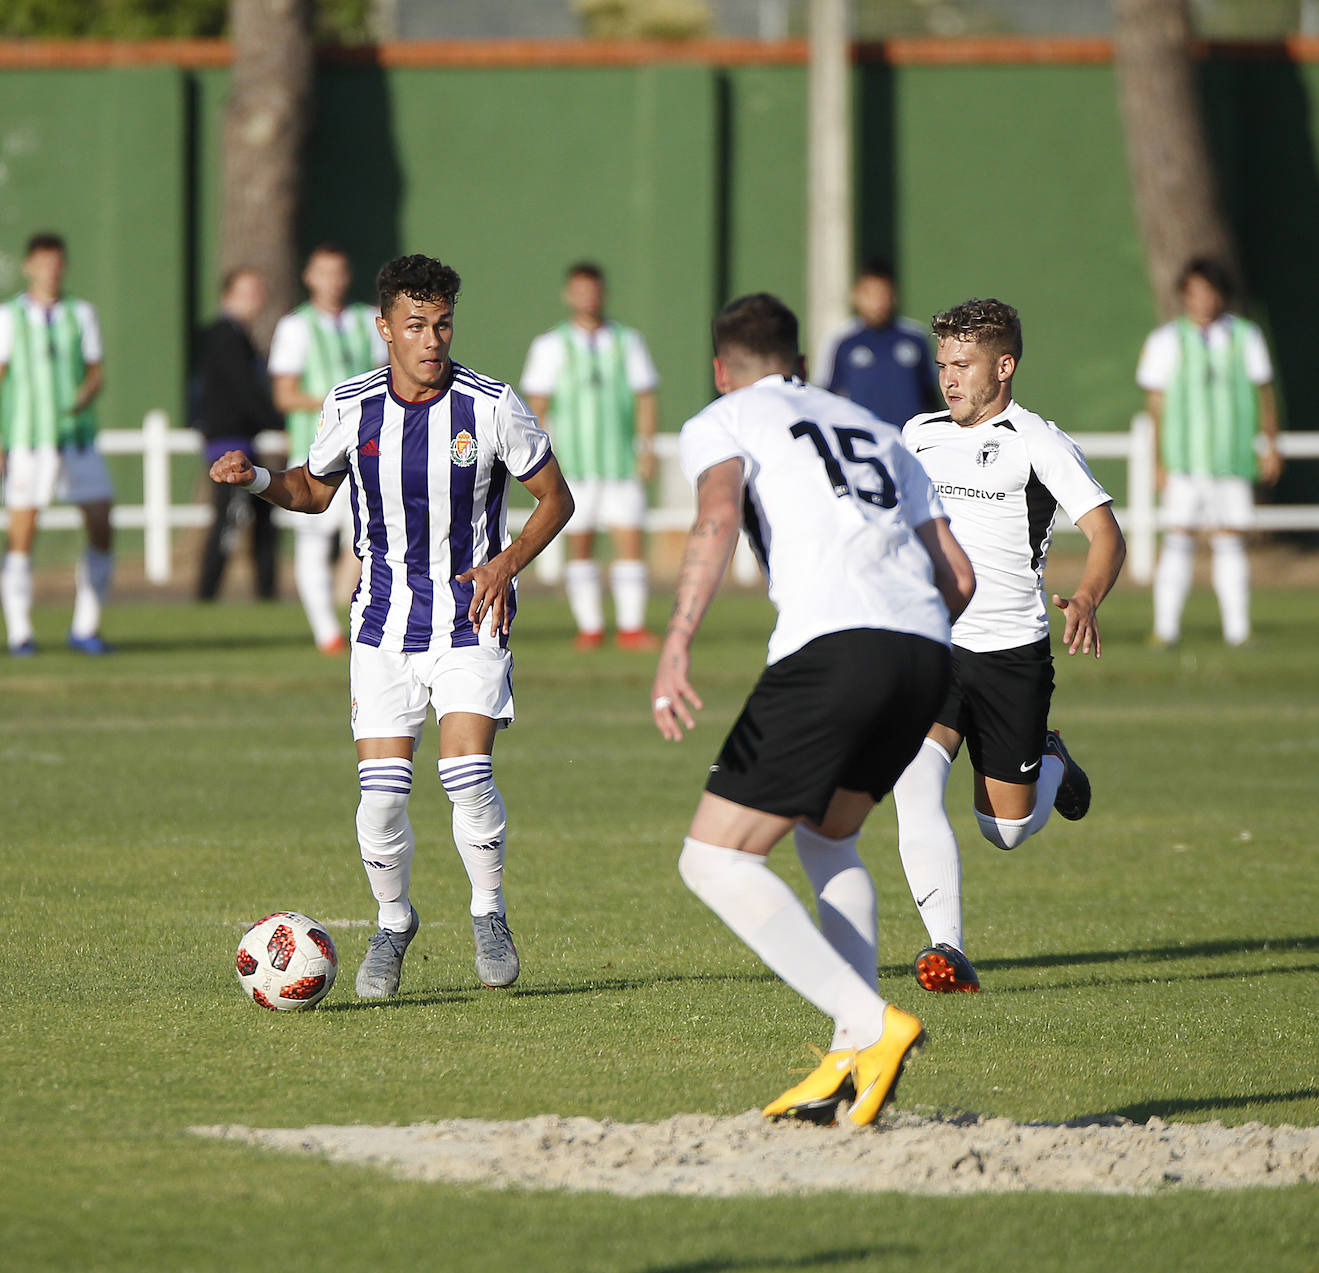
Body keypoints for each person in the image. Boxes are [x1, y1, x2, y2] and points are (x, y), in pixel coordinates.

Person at [651, 293, 975, 1127]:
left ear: (724, 369)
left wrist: (678, 637)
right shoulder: (875, 425)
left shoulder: (725, 416)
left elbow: (717, 515)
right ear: (797, 360)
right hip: (927, 650)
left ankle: (872, 1023)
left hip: (836, 646)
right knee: (828, 834)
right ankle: (845, 1060)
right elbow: (960, 578)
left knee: (712, 860)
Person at [210, 253, 573, 996]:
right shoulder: (350, 404)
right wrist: (251, 478)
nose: (432, 339)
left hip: (470, 615)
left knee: (466, 772)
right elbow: (313, 490)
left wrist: (505, 565)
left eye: (442, 323)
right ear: (384, 329)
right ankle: (394, 920)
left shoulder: (491, 405)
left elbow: (556, 499)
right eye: (415, 324)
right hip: (380, 623)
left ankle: (488, 909)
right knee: (381, 796)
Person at [893, 298, 1126, 995]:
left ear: (1004, 365)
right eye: (942, 364)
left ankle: (1050, 759)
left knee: (1006, 830)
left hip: (1011, 652)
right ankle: (947, 948)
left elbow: (1107, 533)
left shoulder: (1037, 442)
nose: (949, 379)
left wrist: (1085, 597)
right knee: (912, 782)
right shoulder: (918, 433)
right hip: (934, 644)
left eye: (962, 364)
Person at [1136, 257, 1281, 647]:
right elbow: (1156, 406)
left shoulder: (1245, 336)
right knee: (1179, 539)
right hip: (1184, 459)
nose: (1202, 301)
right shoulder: (1166, 339)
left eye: (1209, 292)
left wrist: (1269, 445)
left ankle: (1238, 631)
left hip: (1231, 458)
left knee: (1231, 539)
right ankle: (1165, 630)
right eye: (1194, 292)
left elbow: (1264, 394)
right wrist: (1158, 461)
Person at [520, 261, 659, 651]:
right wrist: (539, 462)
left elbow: (645, 397)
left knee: (629, 540)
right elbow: (538, 406)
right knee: (579, 542)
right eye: (580, 290)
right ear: (569, 295)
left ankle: (632, 627)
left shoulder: (628, 341)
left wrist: (646, 448)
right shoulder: (550, 345)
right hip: (573, 464)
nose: (588, 297)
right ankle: (591, 626)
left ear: (603, 293)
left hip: (620, 461)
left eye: (594, 289)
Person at [0, 232, 114, 656]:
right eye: (43, 262)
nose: (51, 270)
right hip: (28, 440)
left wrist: (87, 390)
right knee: (23, 530)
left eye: (57, 262)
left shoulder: (80, 314)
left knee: (101, 520)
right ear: (29, 266)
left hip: (76, 438)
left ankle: (86, 626)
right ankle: (20, 631)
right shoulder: (8, 316)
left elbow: (95, 370)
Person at [269, 244, 386, 653]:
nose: (332, 280)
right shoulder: (295, 327)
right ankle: (326, 632)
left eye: (339, 272)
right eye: (324, 272)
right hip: (313, 451)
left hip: (366, 452)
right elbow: (284, 395)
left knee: (370, 537)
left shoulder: (365, 320)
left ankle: (362, 622)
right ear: (309, 277)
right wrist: (339, 403)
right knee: (313, 539)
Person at [195, 268, 281, 602]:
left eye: (258, 291)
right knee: (230, 520)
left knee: (262, 517)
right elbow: (244, 392)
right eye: (247, 292)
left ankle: (266, 592)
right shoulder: (223, 335)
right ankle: (207, 595)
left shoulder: (241, 337)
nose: (255, 299)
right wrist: (278, 421)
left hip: (245, 439)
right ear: (227, 296)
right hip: (229, 442)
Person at [814, 259, 940, 428]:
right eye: (870, 294)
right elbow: (825, 396)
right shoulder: (841, 340)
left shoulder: (916, 337)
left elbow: (931, 396)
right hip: (863, 442)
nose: (877, 302)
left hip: (908, 441)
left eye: (883, 293)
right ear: (856, 296)